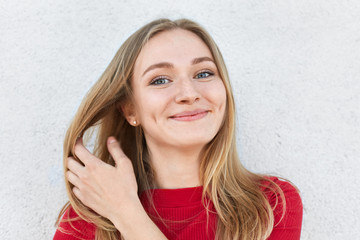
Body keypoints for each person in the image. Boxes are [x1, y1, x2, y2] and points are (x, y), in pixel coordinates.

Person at [53, 18, 303, 240]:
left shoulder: (271, 205)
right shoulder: (88, 217)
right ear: (131, 110)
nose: (189, 93)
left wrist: (126, 213)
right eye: (160, 80)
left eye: (204, 73)